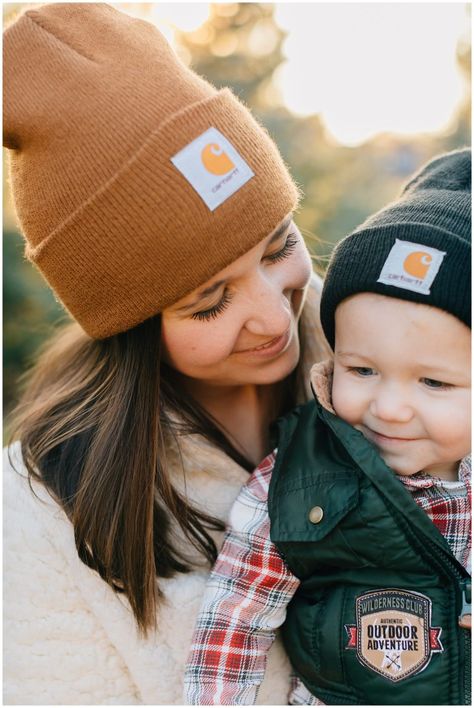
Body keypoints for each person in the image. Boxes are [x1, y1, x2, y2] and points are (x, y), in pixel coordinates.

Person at [3, 4, 331, 704]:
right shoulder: (38, 519)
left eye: (281, 247)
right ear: (132, 327)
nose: (277, 314)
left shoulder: (405, 376)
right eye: (210, 301)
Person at [184, 149, 471, 705]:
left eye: (433, 384)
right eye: (361, 370)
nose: (388, 408)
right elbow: (234, 621)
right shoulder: (297, 478)